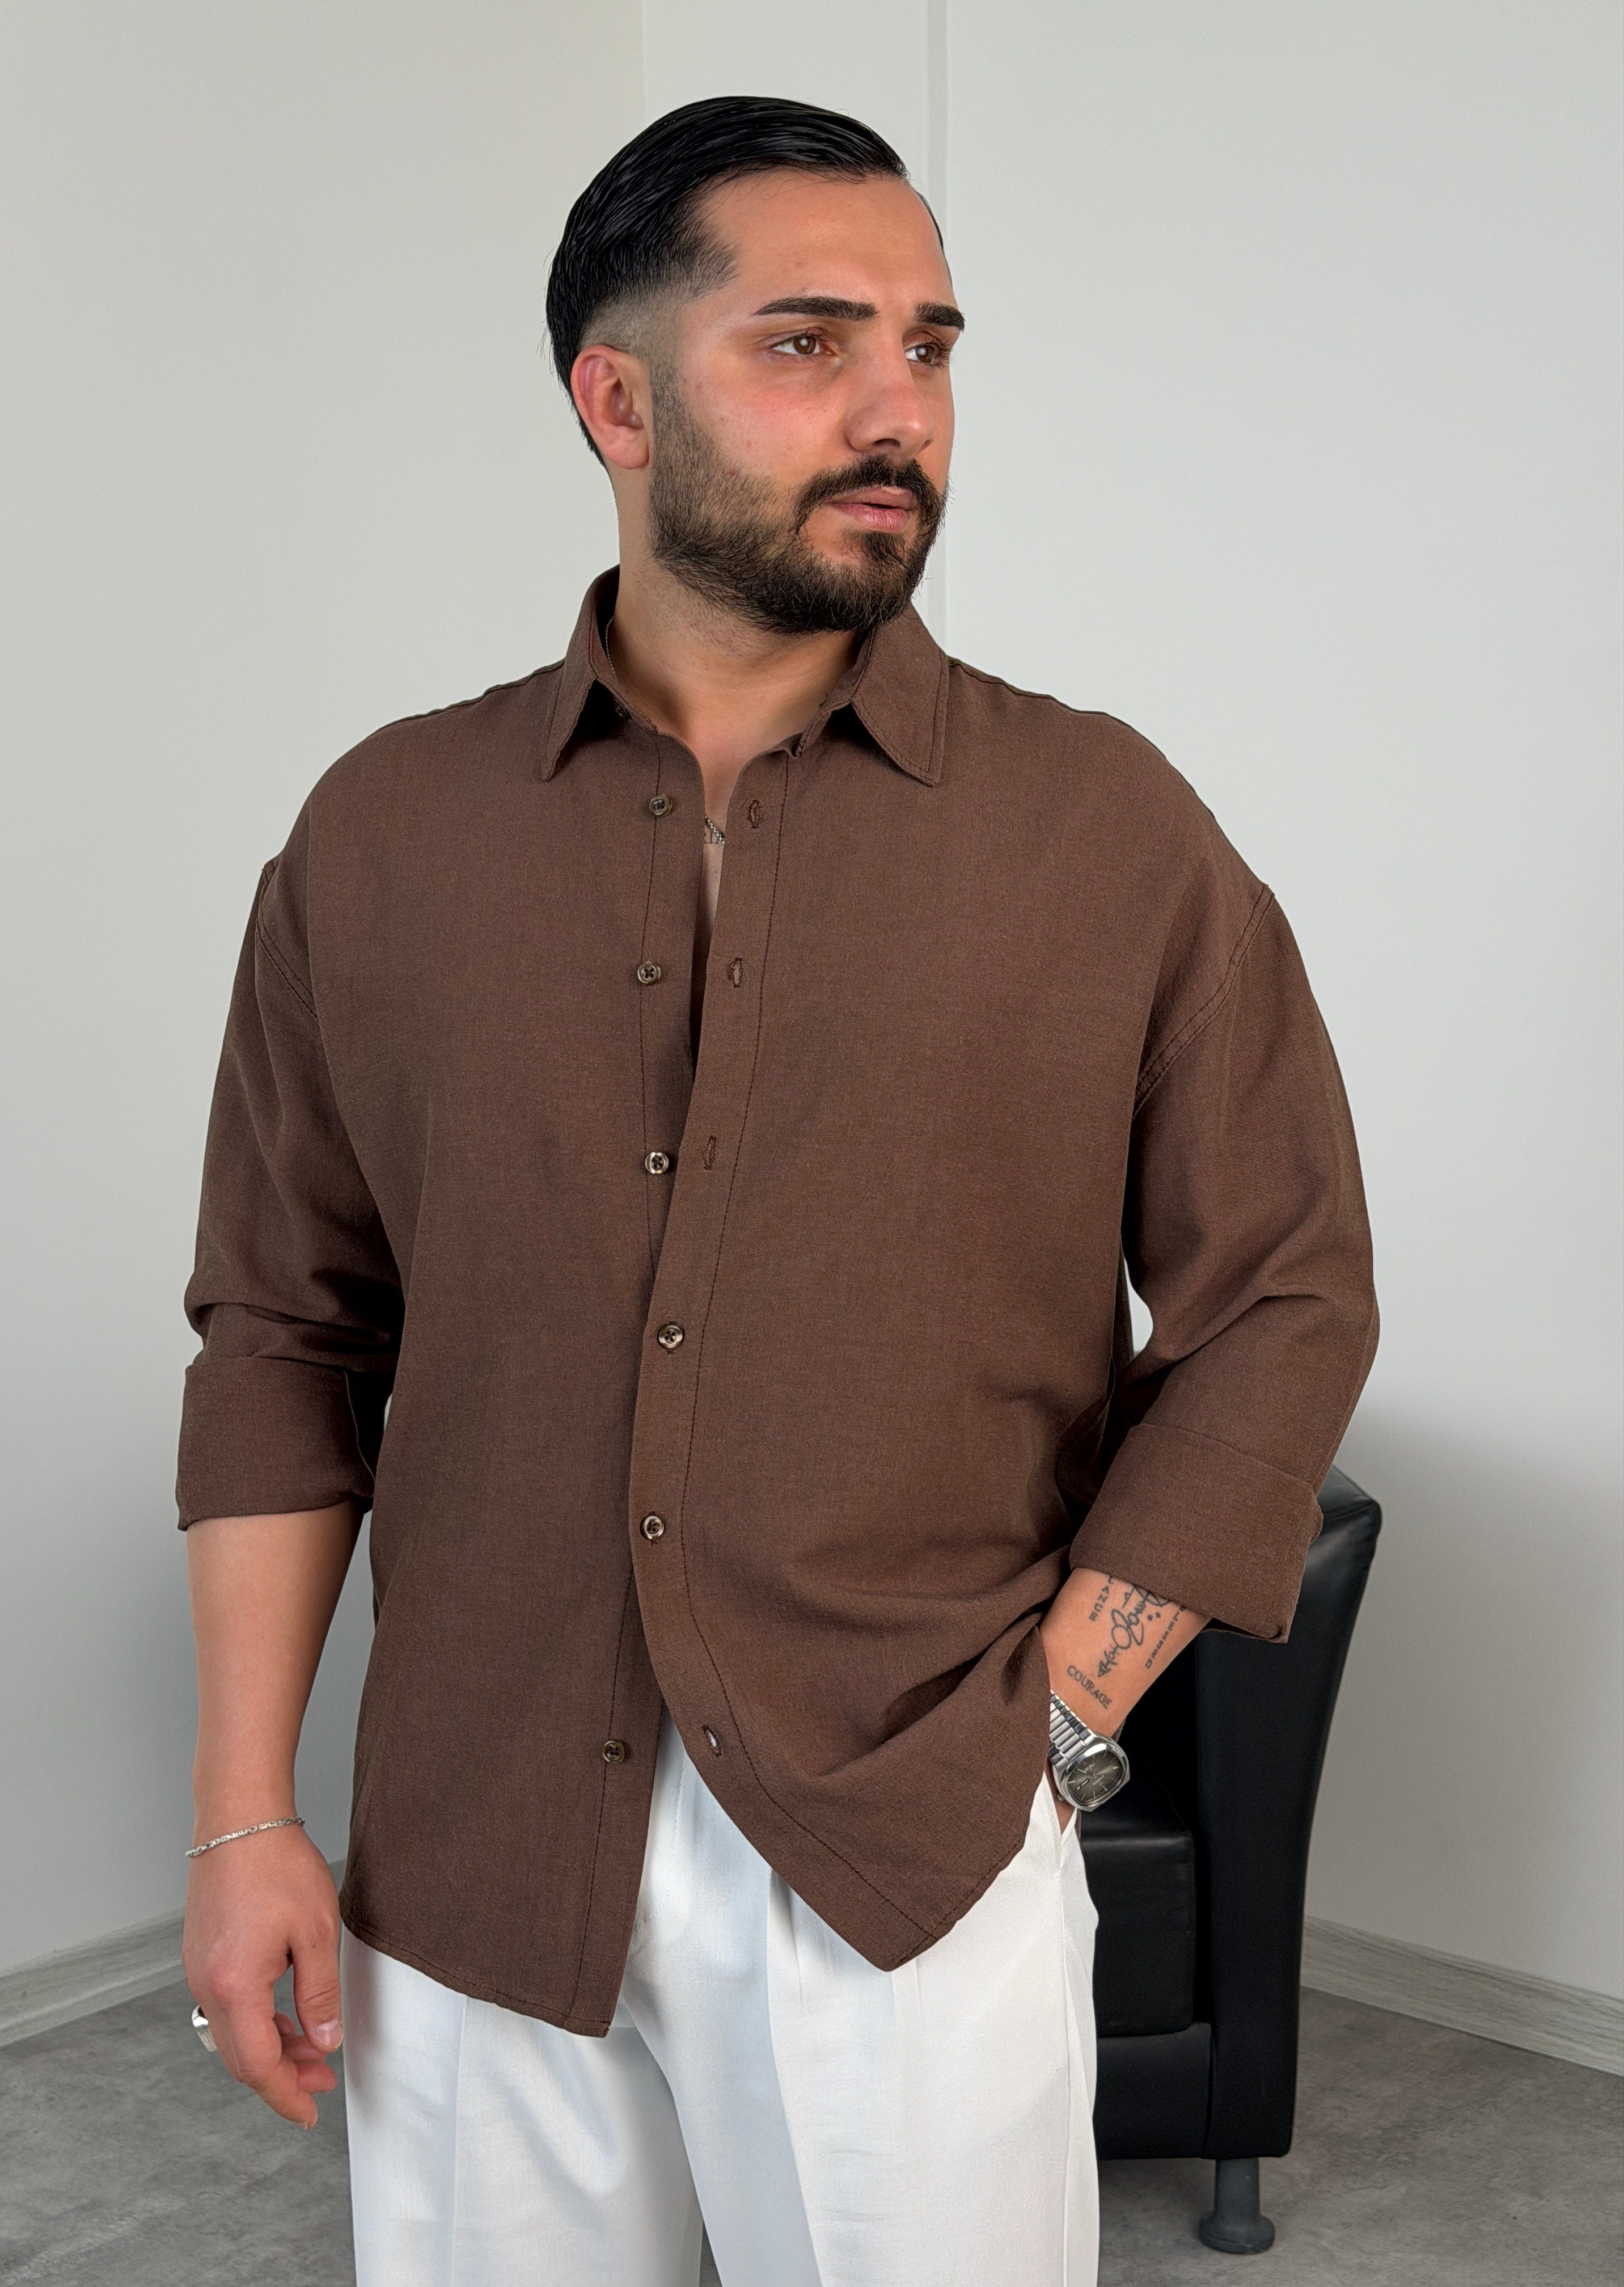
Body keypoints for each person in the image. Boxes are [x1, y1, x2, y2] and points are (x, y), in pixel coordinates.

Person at [176, 94, 1378, 2287]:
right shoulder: (380, 836)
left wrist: (1057, 1722)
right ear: (616, 402)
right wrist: (245, 1812)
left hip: (907, 1851)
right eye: (809, 343)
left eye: (930, 346)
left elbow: (1284, 1300)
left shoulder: (1106, 828)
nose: (897, 408)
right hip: (471, 1849)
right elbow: (281, 1333)